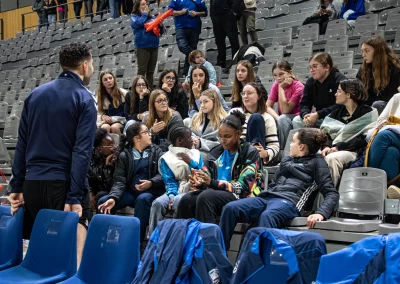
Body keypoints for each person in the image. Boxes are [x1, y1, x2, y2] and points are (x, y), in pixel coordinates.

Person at [8, 43, 96, 267]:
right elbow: (81, 151)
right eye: (92, 64)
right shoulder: (85, 98)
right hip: (64, 185)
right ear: (85, 66)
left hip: (33, 185)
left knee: (44, 258)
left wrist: (16, 186)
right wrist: (75, 196)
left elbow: (22, 145)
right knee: (73, 258)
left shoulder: (35, 95)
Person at [219, 128, 339, 250]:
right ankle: (220, 258)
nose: (290, 145)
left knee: (267, 216)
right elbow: (274, 184)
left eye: (293, 142)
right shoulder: (286, 160)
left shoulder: (318, 163)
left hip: (290, 202)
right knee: (230, 208)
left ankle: (260, 264)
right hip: (268, 197)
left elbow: (331, 193)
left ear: (301, 147)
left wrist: (321, 213)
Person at [176, 110, 263, 223]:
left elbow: (244, 188)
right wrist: (199, 181)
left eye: (227, 136)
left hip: (243, 198)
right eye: (220, 136)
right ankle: (183, 237)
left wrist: (212, 183)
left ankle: (210, 239)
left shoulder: (250, 152)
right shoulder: (216, 152)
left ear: (238, 134)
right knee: (186, 199)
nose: (222, 141)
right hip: (216, 194)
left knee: (205, 197)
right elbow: (205, 174)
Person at [98, 122, 165, 242]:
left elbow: (163, 174)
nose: (150, 134)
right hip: (130, 193)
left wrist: (151, 182)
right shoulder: (125, 155)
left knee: (143, 199)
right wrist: (113, 197)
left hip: (149, 192)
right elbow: (119, 180)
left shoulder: (156, 152)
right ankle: (105, 241)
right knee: (104, 202)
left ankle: (136, 242)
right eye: (146, 132)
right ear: (137, 138)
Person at [320, 79, 377, 187]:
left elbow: (364, 139)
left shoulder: (368, 113)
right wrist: (326, 146)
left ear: (348, 94)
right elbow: (325, 133)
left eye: (339, 91)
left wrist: (339, 147)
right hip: (333, 148)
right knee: (314, 156)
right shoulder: (337, 113)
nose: (335, 94)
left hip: (355, 151)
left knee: (332, 158)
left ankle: (329, 196)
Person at [148, 126, 203, 235]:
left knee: (179, 200)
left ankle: (176, 236)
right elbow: (169, 181)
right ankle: (153, 238)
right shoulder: (166, 158)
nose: (192, 139)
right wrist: (171, 195)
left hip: (194, 188)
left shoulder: (196, 154)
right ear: (179, 141)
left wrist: (190, 162)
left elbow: (202, 174)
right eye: (189, 137)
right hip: (175, 189)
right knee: (158, 203)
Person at [293, 52, 347, 129]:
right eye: (310, 67)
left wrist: (318, 114)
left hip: (336, 119)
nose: (311, 70)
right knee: (297, 120)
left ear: (326, 67)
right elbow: (305, 103)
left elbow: (340, 106)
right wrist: (306, 115)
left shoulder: (340, 80)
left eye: (315, 66)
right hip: (319, 117)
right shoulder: (310, 81)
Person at [232, 82, 279, 165]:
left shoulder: (267, 118)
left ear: (259, 96)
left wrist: (266, 153)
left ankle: (252, 160)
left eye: (249, 93)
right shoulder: (235, 113)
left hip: (255, 156)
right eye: (243, 93)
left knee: (256, 118)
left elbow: (274, 145)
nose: (245, 96)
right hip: (236, 152)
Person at [366, 93, 400, 197]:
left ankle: (369, 182)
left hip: (389, 134)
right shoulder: (397, 97)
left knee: (383, 136)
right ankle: (389, 189)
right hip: (394, 133)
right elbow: (380, 120)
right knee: (391, 152)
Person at [357, 35, 400, 114]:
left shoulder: (394, 68)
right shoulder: (363, 69)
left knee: (377, 105)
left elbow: (393, 97)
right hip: (370, 109)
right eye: (362, 51)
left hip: (390, 109)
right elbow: (359, 92)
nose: (363, 55)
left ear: (377, 51)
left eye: (367, 51)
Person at [267, 60, 304, 150]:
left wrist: (281, 88)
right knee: (282, 119)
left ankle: (294, 149)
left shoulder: (298, 86)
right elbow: (267, 106)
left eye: (281, 74)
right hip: (285, 117)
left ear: (290, 73)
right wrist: (277, 117)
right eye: (275, 75)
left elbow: (286, 110)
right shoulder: (276, 84)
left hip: (298, 116)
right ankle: (284, 151)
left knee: (286, 119)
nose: (278, 78)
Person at [168, 0, 208, 75]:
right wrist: (181, 12)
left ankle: (187, 73)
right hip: (181, 28)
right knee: (183, 46)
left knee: (191, 49)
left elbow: (205, 13)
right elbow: (170, 11)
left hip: (195, 27)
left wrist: (196, 13)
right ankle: (197, 56)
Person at [131, 0, 164, 88]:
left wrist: (160, 25)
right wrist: (144, 14)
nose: (145, 6)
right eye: (142, 5)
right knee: (142, 71)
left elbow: (161, 32)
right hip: (142, 47)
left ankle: (149, 91)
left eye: (146, 4)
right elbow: (139, 23)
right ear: (137, 7)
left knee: (150, 72)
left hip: (154, 46)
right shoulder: (134, 17)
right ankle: (138, 90)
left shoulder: (152, 17)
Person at [186, 89, 227, 160]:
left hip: (210, 153)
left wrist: (200, 143)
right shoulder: (196, 117)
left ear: (214, 102)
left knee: (196, 157)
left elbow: (221, 144)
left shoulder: (223, 120)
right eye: (201, 102)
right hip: (192, 148)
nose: (202, 105)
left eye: (205, 102)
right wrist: (192, 139)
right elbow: (189, 132)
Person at [88, 129, 118, 211]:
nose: (114, 147)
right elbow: (86, 178)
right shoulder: (90, 157)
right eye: (111, 145)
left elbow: (108, 186)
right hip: (94, 189)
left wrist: (107, 164)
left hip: (109, 191)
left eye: (114, 144)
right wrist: (90, 193)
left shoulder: (116, 158)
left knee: (101, 195)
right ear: (99, 149)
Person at [210, 0, 240, 69]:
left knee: (233, 40)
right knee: (219, 41)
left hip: (228, 15)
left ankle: (235, 61)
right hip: (216, 17)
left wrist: (234, 11)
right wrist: (212, 15)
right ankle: (221, 62)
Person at [97, 70, 127, 136]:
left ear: (114, 79)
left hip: (121, 119)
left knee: (114, 127)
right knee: (104, 127)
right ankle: (106, 145)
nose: (109, 81)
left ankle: (120, 145)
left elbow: (128, 111)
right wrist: (102, 116)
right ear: (102, 83)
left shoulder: (123, 93)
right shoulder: (99, 97)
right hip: (107, 121)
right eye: (105, 79)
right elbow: (97, 113)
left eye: (110, 78)